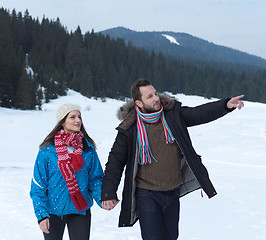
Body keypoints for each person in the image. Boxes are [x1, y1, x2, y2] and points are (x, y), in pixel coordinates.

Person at [101, 78, 244, 240]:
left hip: (172, 193)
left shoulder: (172, 115)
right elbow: (115, 161)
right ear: (139, 103)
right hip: (146, 195)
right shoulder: (129, 127)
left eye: (155, 93)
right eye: (149, 96)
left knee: (171, 237)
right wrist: (108, 193)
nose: (156, 98)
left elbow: (198, 114)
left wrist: (225, 105)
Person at [30, 104, 104, 240]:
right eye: (73, 117)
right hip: (53, 211)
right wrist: (41, 215)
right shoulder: (47, 150)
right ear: (62, 122)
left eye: (79, 117)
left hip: (80, 210)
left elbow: (96, 179)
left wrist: (103, 198)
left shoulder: (88, 149)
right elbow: (38, 186)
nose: (78, 120)